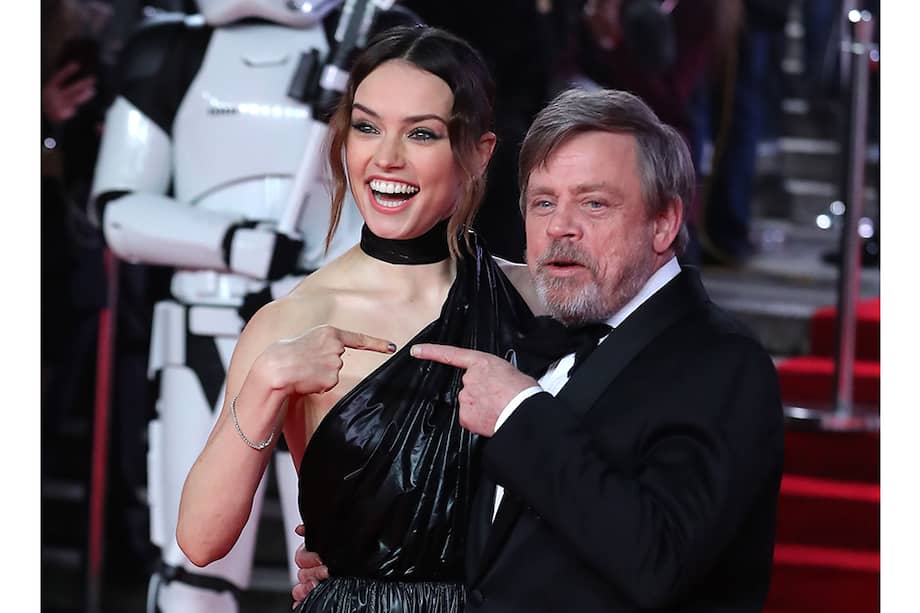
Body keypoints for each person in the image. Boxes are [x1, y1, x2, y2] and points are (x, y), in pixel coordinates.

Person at [296, 88, 785, 611]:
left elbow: (659, 561)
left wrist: (516, 413)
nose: (559, 227)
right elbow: (519, 556)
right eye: (543, 203)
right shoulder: (534, 341)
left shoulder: (721, 363)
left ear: (664, 223)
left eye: (594, 203)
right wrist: (374, 563)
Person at [176, 25, 540, 612]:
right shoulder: (292, 322)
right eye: (367, 127)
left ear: (478, 152)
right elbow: (199, 539)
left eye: (421, 133)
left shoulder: (533, 302)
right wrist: (267, 382)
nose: (386, 157)